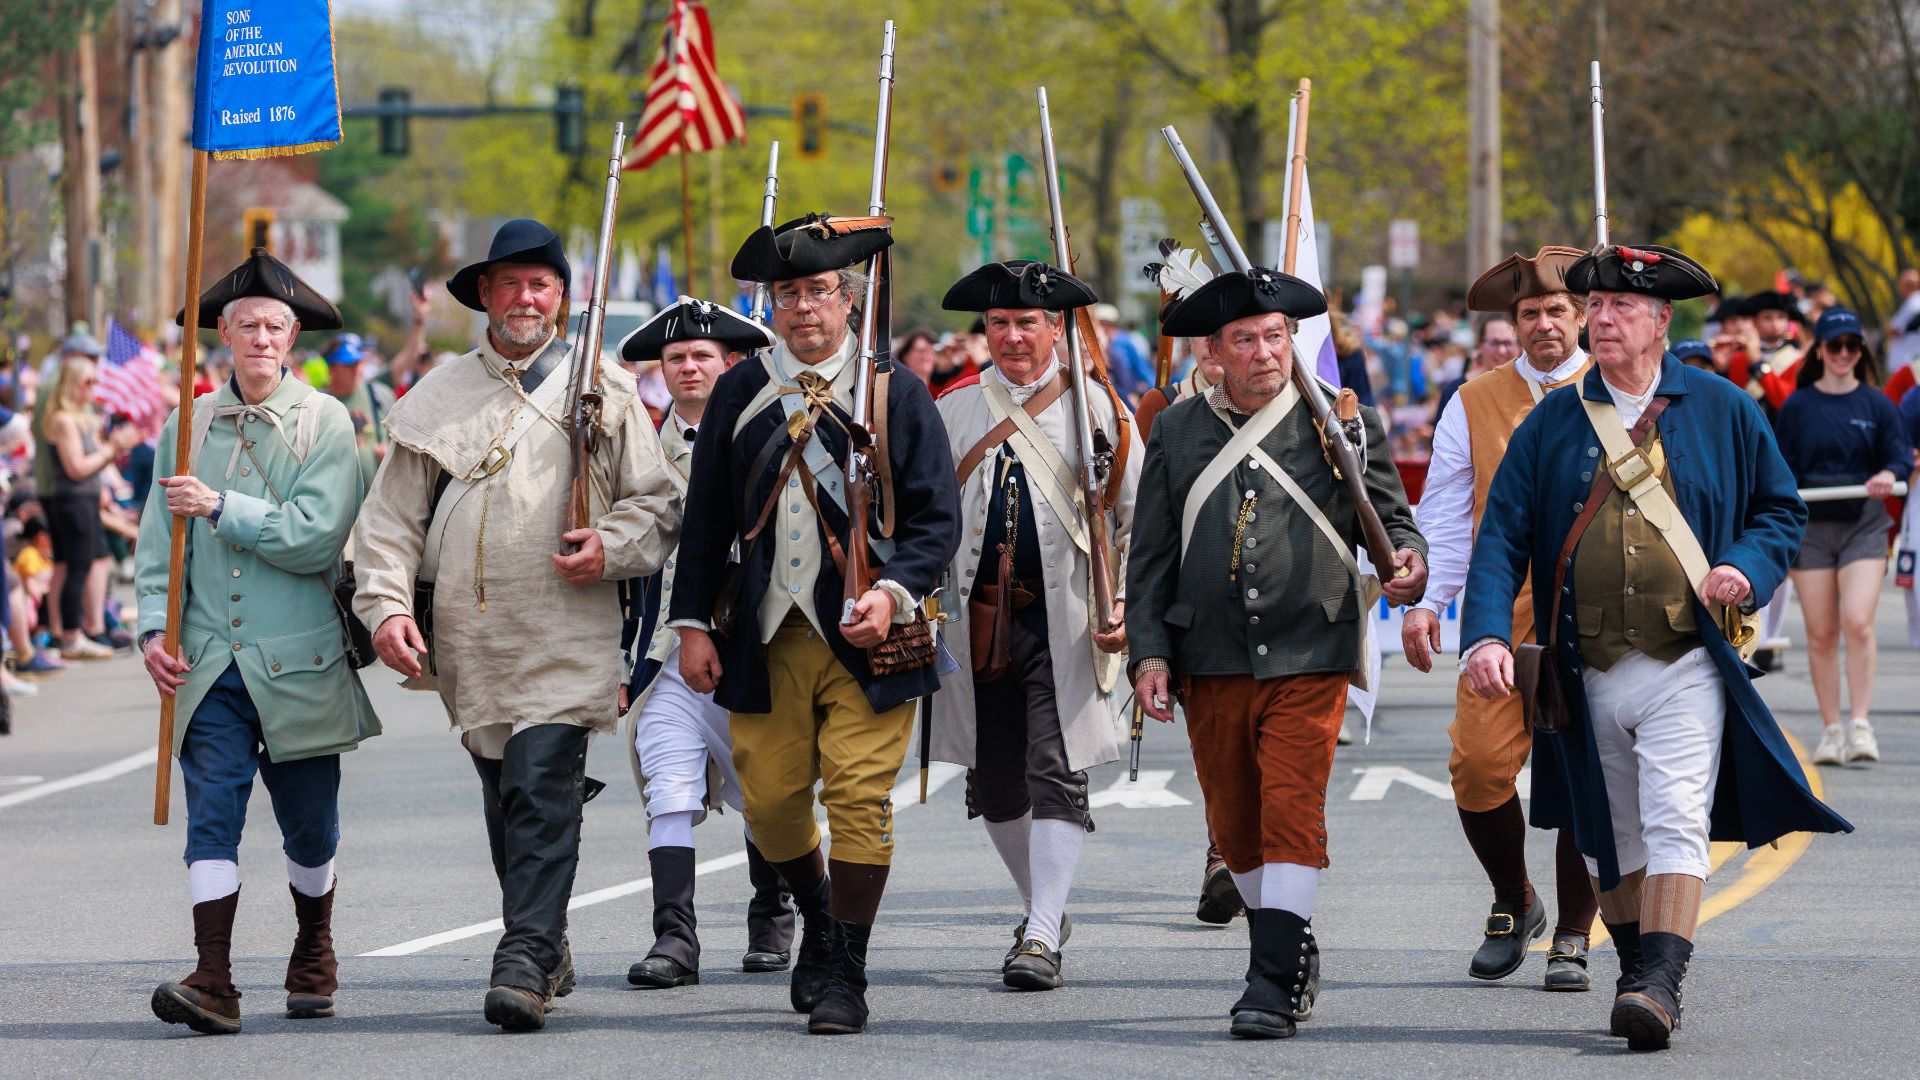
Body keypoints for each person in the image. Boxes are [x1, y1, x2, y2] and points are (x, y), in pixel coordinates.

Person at [1463, 243, 1852, 1051]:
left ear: (1661, 320)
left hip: (1685, 660)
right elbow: (1500, 537)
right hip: (1586, 665)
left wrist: (1744, 568)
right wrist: (1488, 634)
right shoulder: (1553, 420)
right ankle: (1640, 968)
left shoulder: (1722, 406)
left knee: (1676, 819)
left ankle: (1660, 983)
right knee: (1616, 836)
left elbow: (1780, 511)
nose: (1602, 320)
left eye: (1621, 308)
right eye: (1595, 307)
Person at [352, 219, 681, 1031]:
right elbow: (389, 524)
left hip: (570, 632)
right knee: (511, 798)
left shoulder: (603, 389)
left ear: (561, 299)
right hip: (472, 639)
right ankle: (549, 940)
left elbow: (658, 503)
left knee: (540, 783)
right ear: (486, 297)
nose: (525, 297)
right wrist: (387, 607)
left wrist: (607, 544)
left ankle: (524, 959)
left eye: (541, 283)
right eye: (511, 283)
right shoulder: (437, 396)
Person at [668, 212, 960, 1035]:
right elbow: (707, 520)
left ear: (849, 298)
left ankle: (848, 973)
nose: (802, 308)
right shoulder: (739, 388)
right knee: (770, 805)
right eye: (787, 293)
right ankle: (822, 920)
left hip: (868, 637)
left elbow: (938, 521)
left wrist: (896, 591)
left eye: (818, 291)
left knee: (862, 800)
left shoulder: (892, 391)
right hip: (765, 633)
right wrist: (691, 624)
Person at [1128, 265, 1427, 1039]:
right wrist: (1149, 653)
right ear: (1213, 351)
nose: (1264, 352)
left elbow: (1391, 522)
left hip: (1312, 641)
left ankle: (1268, 980)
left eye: (1275, 336)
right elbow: (1151, 555)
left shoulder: (1342, 422)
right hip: (1211, 649)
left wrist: (1406, 562)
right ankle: (1290, 946)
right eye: (1245, 340)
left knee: (1292, 806)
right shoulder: (1176, 428)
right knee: (1236, 826)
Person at [136, 248, 380, 1035]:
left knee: (311, 828)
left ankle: (314, 947)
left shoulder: (328, 422)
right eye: (247, 326)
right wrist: (150, 630)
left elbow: (314, 542)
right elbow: (151, 548)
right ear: (224, 336)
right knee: (212, 819)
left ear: (295, 334)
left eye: (276, 326)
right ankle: (213, 977)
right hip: (208, 665)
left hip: (302, 661)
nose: (263, 339)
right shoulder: (187, 420)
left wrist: (218, 506)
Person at [929, 260, 1138, 990]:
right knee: (993, 781)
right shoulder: (954, 410)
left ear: (1058, 329)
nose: (1013, 337)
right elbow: (924, 520)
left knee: (1056, 769)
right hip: (974, 621)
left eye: (1028, 323)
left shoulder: (1100, 410)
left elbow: (1138, 518)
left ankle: (1043, 932)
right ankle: (1040, 909)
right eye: (999, 324)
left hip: (1068, 621)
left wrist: (1124, 607)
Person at [1404, 246, 1600, 991]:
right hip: (1502, 613)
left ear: (1581, 316)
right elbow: (1451, 516)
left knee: (1585, 778)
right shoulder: (1475, 398)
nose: (1543, 323)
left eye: (1556, 310)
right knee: (1479, 768)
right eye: (1529, 313)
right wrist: (1428, 604)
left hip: (1596, 612)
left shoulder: (1619, 388)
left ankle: (1576, 935)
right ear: (1511, 323)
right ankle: (1514, 899)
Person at [612, 297, 798, 989]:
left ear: (731, 365)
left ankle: (771, 909)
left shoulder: (772, 434)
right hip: (665, 650)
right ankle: (675, 938)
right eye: (676, 358)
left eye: (702, 357)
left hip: (754, 642)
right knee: (669, 790)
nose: (689, 367)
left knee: (768, 793)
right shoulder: (635, 452)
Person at [1131, 318, 1243, 926]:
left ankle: (1242, 861)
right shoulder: (1165, 407)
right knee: (1221, 750)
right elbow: (1150, 521)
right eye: (1204, 332)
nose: (1212, 341)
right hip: (1194, 599)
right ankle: (1223, 851)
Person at [1775, 307, 1909, 766]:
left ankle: (1861, 723)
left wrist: (1888, 474)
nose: (1844, 354)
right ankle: (1832, 729)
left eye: (1853, 346)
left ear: (1861, 352)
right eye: (1836, 345)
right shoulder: (1798, 405)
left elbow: (1898, 458)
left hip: (1864, 524)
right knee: (1820, 632)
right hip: (1813, 525)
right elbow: (1782, 465)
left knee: (1858, 620)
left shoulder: (1877, 405)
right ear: (1822, 350)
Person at [34, 334, 143, 659]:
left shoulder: (79, 416)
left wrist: (113, 451)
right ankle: (69, 635)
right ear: (70, 383)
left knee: (70, 566)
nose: (93, 387)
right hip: (72, 498)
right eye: (87, 382)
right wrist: (113, 448)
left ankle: (63, 634)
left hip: (82, 497)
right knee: (76, 566)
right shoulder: (64, 419)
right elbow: (78, 468)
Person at [318, 333, 393, 491]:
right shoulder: (317, 404)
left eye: (358, 362)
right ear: (331, 368)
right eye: (348, 364)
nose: (356, 369)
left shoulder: (378, 394)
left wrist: (392, 455)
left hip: (376, 504)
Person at [1436, 316, 1518, 418]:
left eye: (1508, 343)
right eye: (1494, 343)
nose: (1502, 350)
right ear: (1480, 344)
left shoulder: (1529, 386)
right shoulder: (1455, 391)